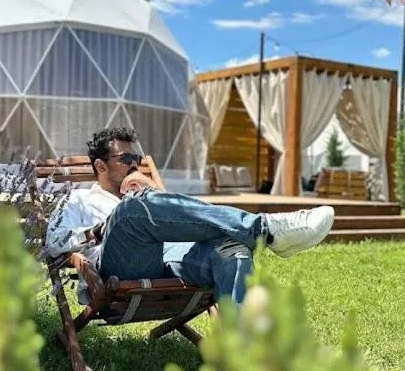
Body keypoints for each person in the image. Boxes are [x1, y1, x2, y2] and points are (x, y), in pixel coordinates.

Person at [45, 127, 335, 307]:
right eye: (126, 160)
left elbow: (179, 221)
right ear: (100, 166)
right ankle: (267, 229)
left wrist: (154, 194)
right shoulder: (77, 199)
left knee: (231, 249)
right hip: (120, 268)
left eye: (138, 160)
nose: (135, 166)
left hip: (168, 258)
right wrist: (97, 231)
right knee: (130, 209)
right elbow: (54, 242)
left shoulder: (144, 192)